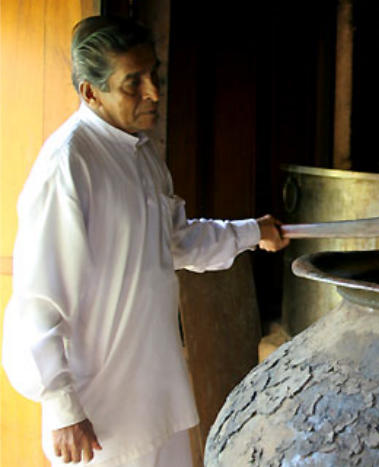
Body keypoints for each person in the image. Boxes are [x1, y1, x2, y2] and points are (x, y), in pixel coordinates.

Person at [2, 15, 289, 466]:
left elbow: (175, 241)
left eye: (153, 76)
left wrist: (252, 232)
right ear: (91, 93)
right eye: (132, 83)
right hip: (99, 417)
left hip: (155, 396)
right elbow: (37, 302)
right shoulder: (68, 166)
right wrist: (61, 407)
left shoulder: (142, 155)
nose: (153, 93)